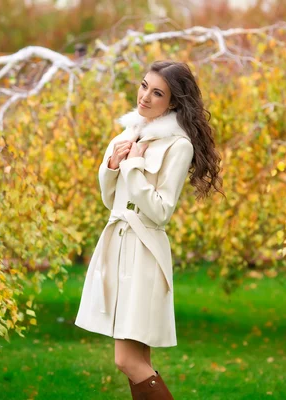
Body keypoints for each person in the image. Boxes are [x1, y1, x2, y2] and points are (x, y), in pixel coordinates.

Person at [74, 60, 224, 399]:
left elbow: (159, 211)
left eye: (157, 93)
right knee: (138, 358)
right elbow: (111, 199)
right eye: (144, 86)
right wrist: (113, 166)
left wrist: (134, 167)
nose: (145, 97)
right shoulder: (126, 135)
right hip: (118, 247)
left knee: (126, 359)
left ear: (172, 102)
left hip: (144, 252)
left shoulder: (178, 145)